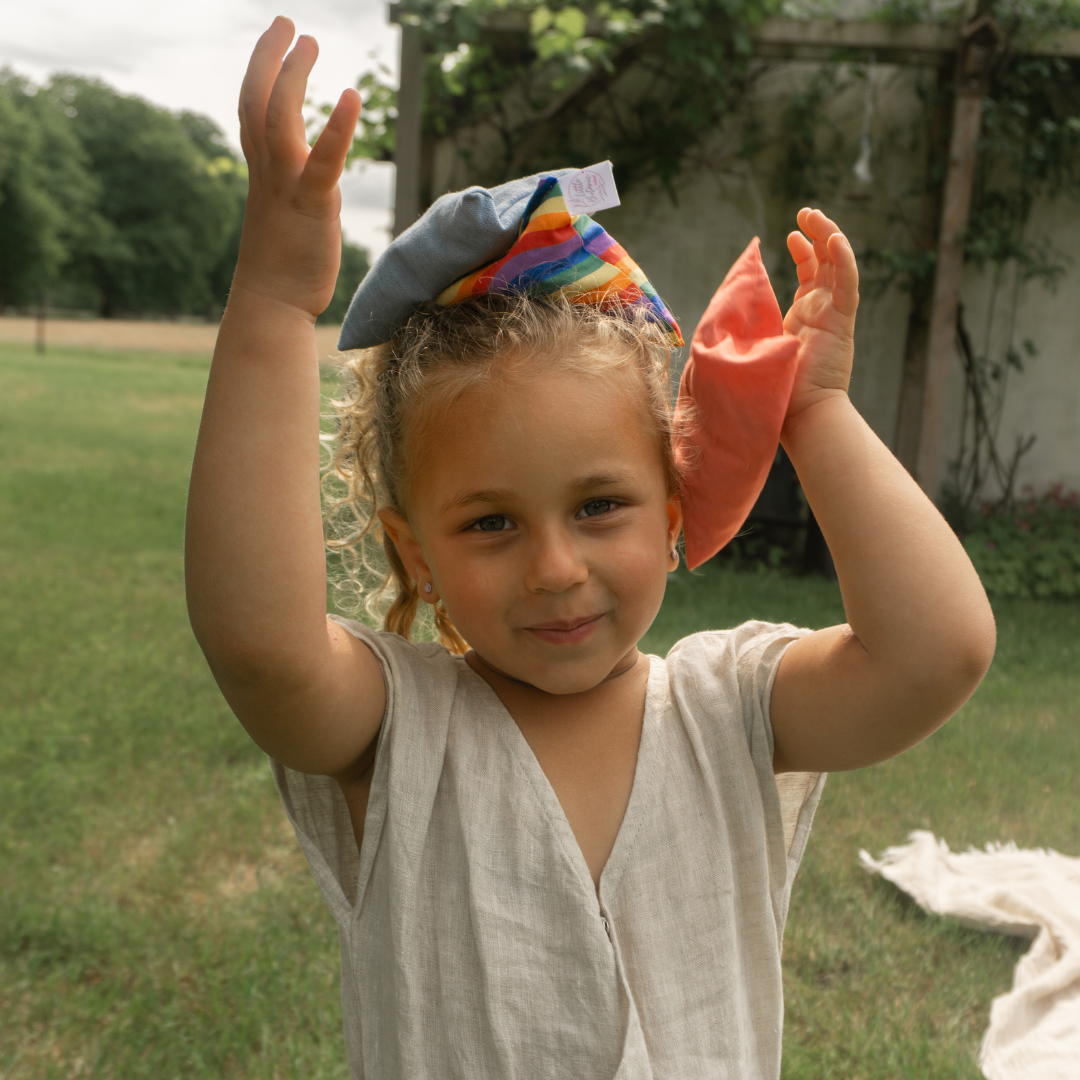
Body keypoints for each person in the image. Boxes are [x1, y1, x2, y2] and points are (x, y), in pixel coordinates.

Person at [184, 17, 996, 1080]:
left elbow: (937, 653)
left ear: (674, 509)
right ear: (415, 554)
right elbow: (262, 648)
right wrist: (273, 300)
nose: (556, 568)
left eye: (601, 505)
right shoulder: (397, 734)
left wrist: (814, 411)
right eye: (490, 522)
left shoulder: (731, 710)